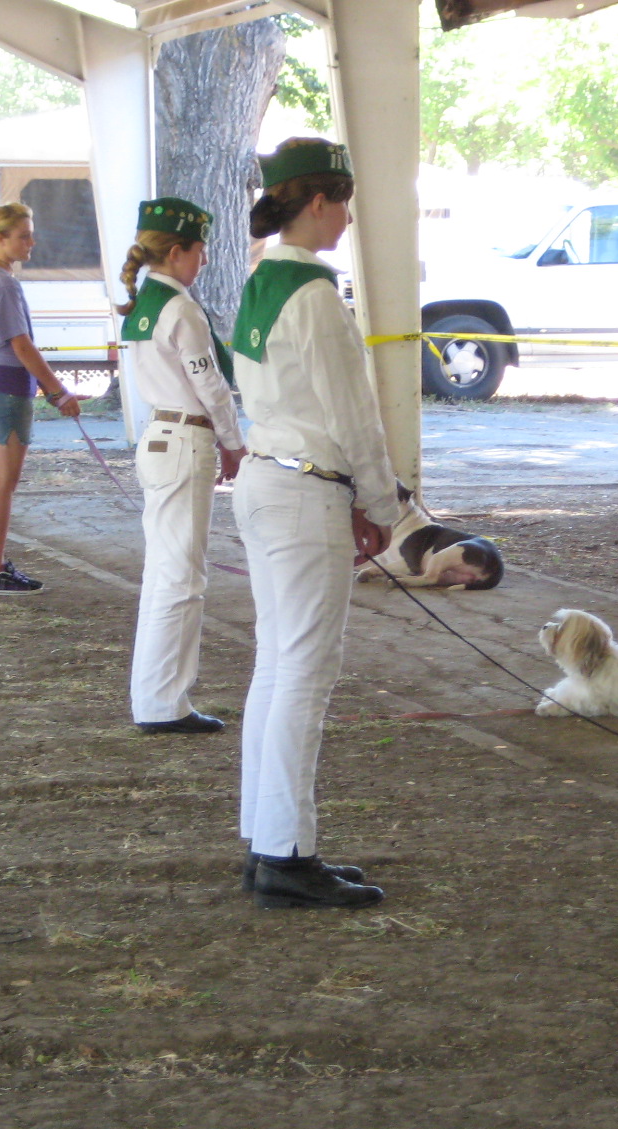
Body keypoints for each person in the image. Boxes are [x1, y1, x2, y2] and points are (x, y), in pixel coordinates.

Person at [231, 138, 403, 909]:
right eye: (345, 199)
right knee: (304, 671)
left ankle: (266, 836)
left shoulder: (261, 281)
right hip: (306, 490)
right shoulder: (314, 293)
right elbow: (354, 414)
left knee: (277, 666)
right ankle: (286, 854)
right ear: (321, 200)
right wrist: (383, 505)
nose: (349, 216)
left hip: (270, 477)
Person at [120, 197, 246, 735]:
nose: (205, 261)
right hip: (185, 438)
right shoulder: (182, 309)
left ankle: (155, 696)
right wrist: (234, 441)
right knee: (182, 579)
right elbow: (210, 384)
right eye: (200, 251)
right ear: (177, 252)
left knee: (164, 574)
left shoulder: (144, 304)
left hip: (157, 434)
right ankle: (164, 702)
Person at [0, 202, 86, 594]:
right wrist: (58, 392)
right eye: (23, 235)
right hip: (6, 386)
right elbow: (21, 345)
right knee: (4, 482)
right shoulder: (2, 283)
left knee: (2, 481)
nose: (31, 242)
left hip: (3, 384)